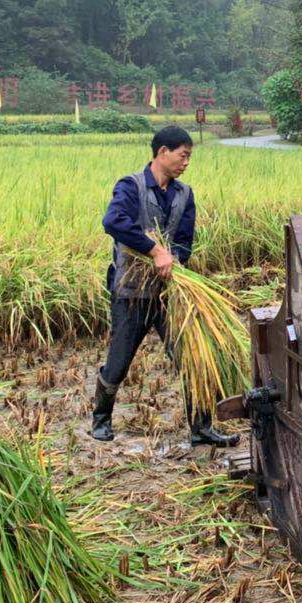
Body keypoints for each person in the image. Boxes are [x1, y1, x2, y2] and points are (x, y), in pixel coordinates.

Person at [89, 124, 239, 447]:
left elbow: (184, 241)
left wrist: (176, 263)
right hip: (131, 292)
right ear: (162, 153)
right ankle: (100, 420)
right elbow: (113, 222)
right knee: (119, 360)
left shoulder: (184, 195)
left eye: (189, 157)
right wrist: (154, 250)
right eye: (183, 155)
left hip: (169, 294)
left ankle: (201, 427)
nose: (187, 163)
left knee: (193, 356)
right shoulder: (130, 187)